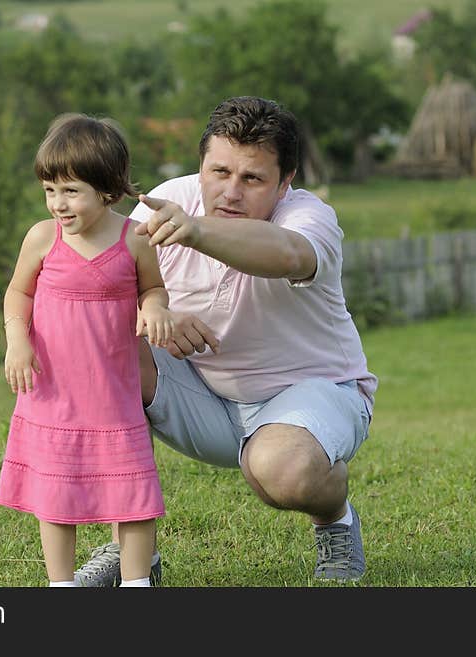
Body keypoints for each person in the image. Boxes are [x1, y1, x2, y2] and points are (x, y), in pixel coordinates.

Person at [73, 96, 377, 586]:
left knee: (281, 470)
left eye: (252, 179)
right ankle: (134, 553)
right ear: (201, 166)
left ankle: (336, 519)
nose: (231, 192)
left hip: (310, 394)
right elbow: (102, 298)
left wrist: (196, 231)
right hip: (202, 396)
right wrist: (155, 317)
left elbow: (287, 255)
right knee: (103, 352)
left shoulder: (309, 218)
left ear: (286, 181)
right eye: (219, 172)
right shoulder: (170, 199)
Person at [0, 113, 174, 587]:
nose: (58, 203)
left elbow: (153, 289)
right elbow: (18, 294)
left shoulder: (134, 239)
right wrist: (18, 341)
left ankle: (136, 582)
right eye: (50, 190)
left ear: (108, 189)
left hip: (113, 394)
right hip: (53, 393)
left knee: (132, 493)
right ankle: (62, 584)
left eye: (71, 191)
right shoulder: (41, 238)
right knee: (56, 496)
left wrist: (155, 308)